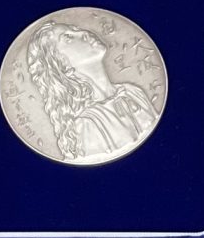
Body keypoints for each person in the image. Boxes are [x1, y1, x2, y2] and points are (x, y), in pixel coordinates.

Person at [22, 19, 159, 161]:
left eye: (76, 28)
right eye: (68, 38)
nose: (84, 33)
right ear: (62, 64)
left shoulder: (134, 92)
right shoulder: (86, 125)